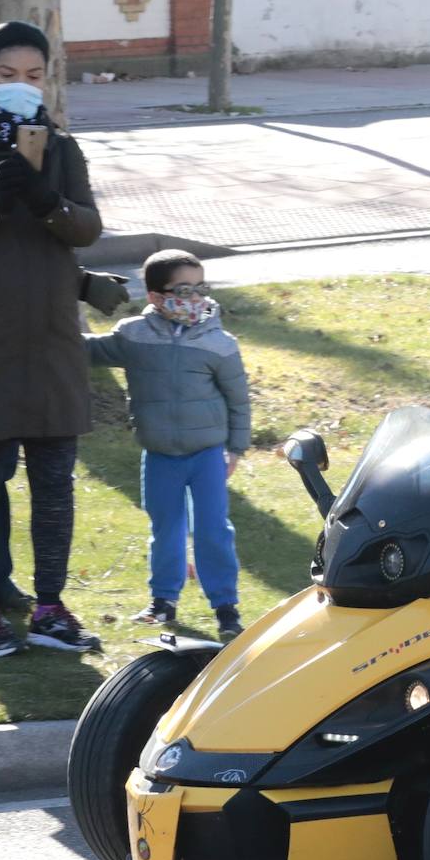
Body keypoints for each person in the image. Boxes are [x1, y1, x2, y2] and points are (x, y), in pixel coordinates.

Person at [0, 32, 131, 625]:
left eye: (35, 74)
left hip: (53, 344)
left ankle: (51, 604)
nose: (22, 84)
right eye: (8, 72)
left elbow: (86, 227)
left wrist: (46, 201)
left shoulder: (61, 147)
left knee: (54, 486)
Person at [84, 250, 251, 642]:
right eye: (183, 289)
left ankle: (226, 608)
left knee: (213, 529)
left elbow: (239, 399)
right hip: (159, 456)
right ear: (156, 296)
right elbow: (86, 349)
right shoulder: (133, 336)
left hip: (208, 454)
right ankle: (163, 601)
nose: (194, 298)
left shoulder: (219, 343)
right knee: (166, 529)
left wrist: (236, 449)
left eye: (200, 288)